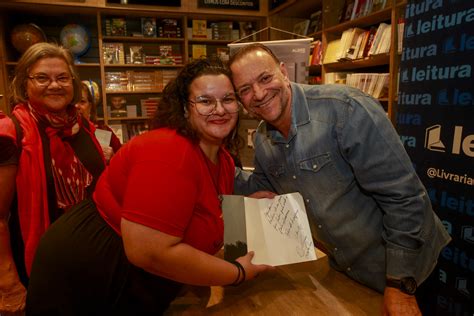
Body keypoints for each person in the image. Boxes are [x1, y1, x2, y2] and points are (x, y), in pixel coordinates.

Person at [26, 57, 272, 315]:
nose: (219, 110)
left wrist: (246, 207)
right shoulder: (169, 150)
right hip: (95, 272)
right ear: (185, 109)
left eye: (228, 99)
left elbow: (202, 208)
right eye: (205, 101)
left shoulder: (221, 158)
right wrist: (238, 273)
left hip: (138, 277)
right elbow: (149, 252)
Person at [229, 43, 451, 316]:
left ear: (284, 72)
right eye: (245, 90)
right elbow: (261, 190)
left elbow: (404, 198)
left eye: (265, 78)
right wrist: (210, 159)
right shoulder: (263, 139)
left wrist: (400, 284)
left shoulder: (346, 110)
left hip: (408, 273)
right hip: (347, 270)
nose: (259, 94)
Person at [0, 42, 106, 314]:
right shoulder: (10, 132)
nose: (55, 85)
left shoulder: (81, 126)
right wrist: (8, 280)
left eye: (62, 78)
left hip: (92, 260)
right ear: (24, 84)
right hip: (40, 268)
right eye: (42, 78)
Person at [76, 82, 122, 162]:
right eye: (73, 102)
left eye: (82, 101)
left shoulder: (103, 130)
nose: (76, 106)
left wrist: (113, 157)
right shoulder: (61, 133)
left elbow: (124, 161)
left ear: (90, 107)